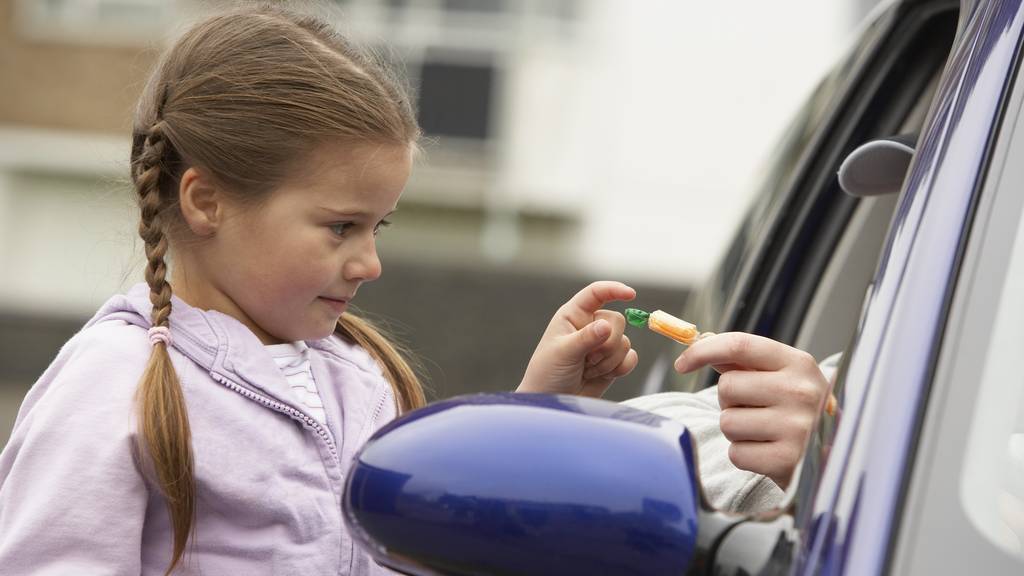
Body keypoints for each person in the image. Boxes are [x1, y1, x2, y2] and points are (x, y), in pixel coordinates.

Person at [0, 5, 638, 575]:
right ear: (205, 201)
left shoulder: (361, 378)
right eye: (342, 227)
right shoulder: (115, 382)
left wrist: (537, 412)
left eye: (377, 226)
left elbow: (444, 543)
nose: (370, 262)